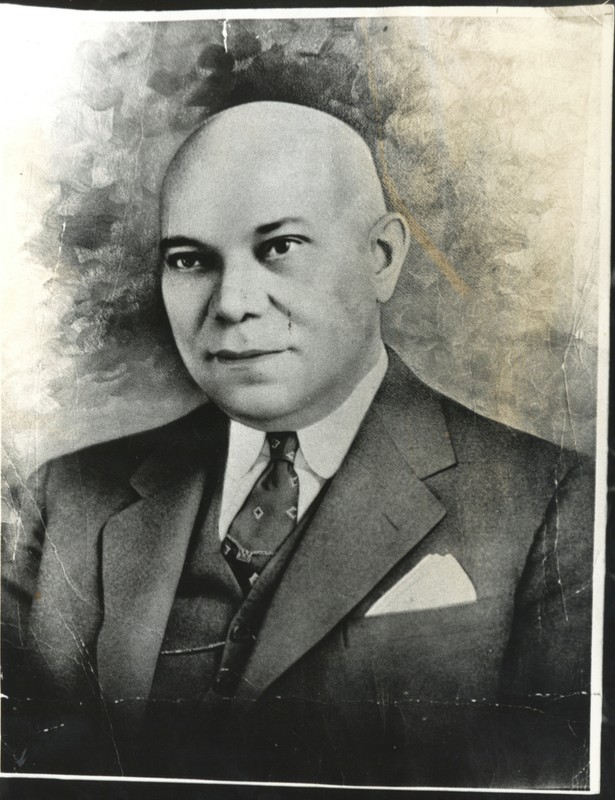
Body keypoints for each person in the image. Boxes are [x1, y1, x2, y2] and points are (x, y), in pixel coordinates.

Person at [1, 101, 595, 788]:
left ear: (380, 258)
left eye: (279, 247)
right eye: (190, 259)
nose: (231, 304)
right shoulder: (63, 496)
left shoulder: (553, 501)